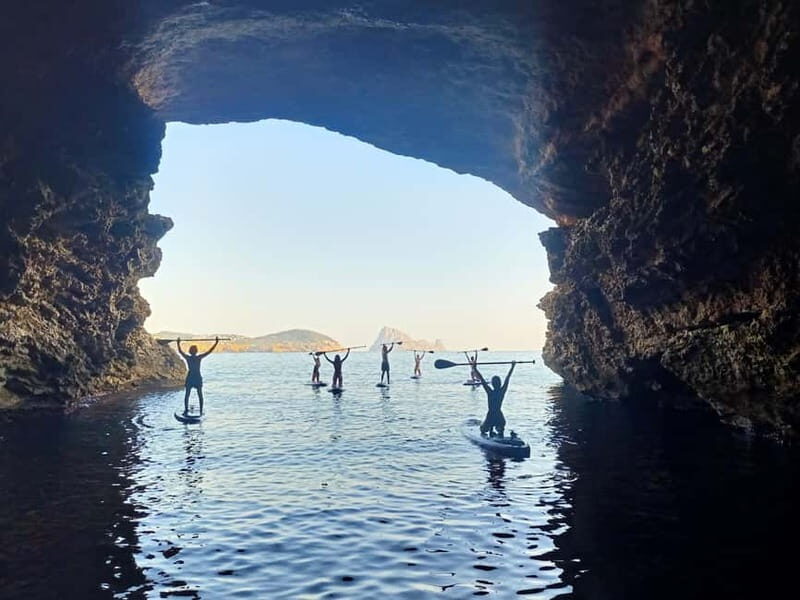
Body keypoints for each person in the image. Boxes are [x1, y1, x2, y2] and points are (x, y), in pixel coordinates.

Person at [177, 336, 220, 415]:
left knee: (187, 394)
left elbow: (180, 351)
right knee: (199, 395)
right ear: (196, 351)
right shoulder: (198, 357)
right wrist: (216, 343)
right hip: (196, 377)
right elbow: (209, 351)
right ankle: (201, 410)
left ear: (190, 351)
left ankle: (186, 409)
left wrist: (178, 343)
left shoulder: (188, 358)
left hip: (191, 377)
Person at [474, 361, 516, 437]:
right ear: (500, 383)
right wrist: (512, 367)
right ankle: (497, 430)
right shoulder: (502, 391)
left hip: (490, 416)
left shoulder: (489, 392)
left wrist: (475, 368)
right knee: (500, 427)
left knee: (483, 430)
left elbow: (482, 379)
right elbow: (507, 378)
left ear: (492, 384)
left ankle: (491, 429)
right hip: (499, 416)